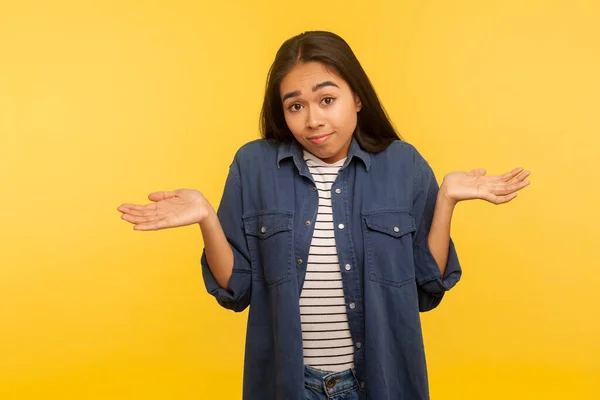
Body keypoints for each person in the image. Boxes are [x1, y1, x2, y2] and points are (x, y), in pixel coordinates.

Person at [117, 31, 531, 400]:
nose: (313, 119)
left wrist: (446, 201)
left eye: (326, 99)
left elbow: (427, 287)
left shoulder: (402, 164)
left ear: (357, 97)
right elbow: (237, 289)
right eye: (295, 106)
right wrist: (207, 217)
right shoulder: (253, 166)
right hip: (288, 383)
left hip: (378, 383)